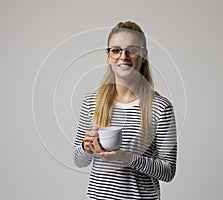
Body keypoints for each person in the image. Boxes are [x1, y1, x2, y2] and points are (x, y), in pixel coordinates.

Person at [73, 21, 177, 200]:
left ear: (143, 55)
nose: (124, 56)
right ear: (108, 55)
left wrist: (126, 157)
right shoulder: (92, 101)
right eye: (116, 50)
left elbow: (168, 171)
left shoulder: (160, 107)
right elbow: (79, 160)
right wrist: (85, 147)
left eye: (132, 50)